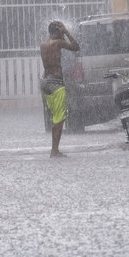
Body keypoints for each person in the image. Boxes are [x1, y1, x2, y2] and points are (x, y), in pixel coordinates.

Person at [40, 21, 80, 158]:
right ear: (57, 32)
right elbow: (76, 47)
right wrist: (67, 32)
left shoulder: (43, 45)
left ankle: (54, 149)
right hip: (56, 82)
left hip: (45, 83)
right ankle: (54, 150)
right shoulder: (58, 43)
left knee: (55, 118)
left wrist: (60, 32)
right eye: (61, 32)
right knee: (60, 119)